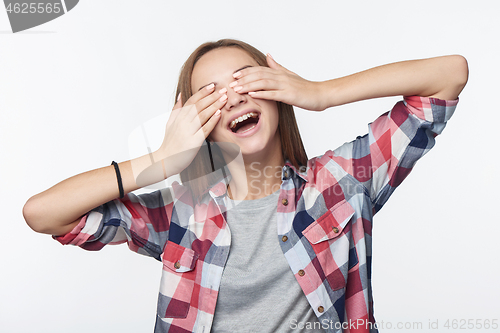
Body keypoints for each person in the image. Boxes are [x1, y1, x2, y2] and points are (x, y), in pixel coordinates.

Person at [23, 39, 468, 333]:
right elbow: (44, 214)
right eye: (212, 96)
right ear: (199, 124)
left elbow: (449, 74)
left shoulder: (341, 182)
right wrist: (160, 160)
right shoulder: (180, 212)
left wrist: (319, 93)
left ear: (276, 93)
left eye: (246, 81)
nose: (234, 97)